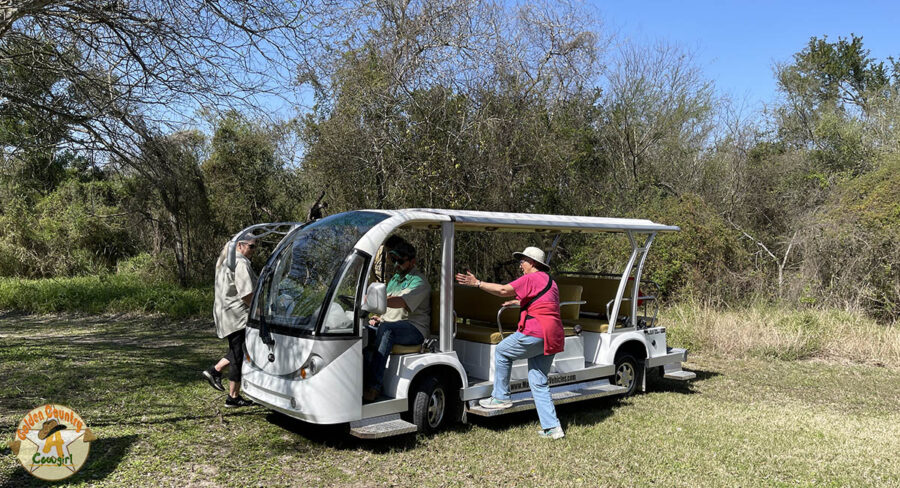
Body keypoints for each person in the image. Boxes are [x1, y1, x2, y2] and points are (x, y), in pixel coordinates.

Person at [455, 246, 566, 439]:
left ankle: (500, 398)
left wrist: (477, 283)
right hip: (552, 335)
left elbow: (503, 290)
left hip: (536, 331)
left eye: (522, 261)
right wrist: (518, 303)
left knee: (502, 350)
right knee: (538, 380)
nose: (520, 265)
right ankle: (553, 428)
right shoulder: (550, 281)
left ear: (532, 263)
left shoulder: (530, 277)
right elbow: (545, 303)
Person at [363, 241, 431, 402]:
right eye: (394, 261)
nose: (396, 265)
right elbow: (388, 304)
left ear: (412, 261)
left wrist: (372, 301)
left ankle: (374, 386)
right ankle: (361, 381)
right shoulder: (395, 279)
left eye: (400, 261)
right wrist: (379, 317)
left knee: (386, 330)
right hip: (393, 325)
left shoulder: (419, 282)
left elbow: (400, 302)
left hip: (415, 329)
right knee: (363, 332)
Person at [202, 239, 258, 408]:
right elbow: (247, 294)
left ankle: (215, 372)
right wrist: (259, 311)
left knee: (237, 351)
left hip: (227, 315)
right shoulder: (240, 263)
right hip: (238, 316)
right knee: (238, 355)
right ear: (240, 245)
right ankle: (232, 397)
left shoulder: (225, 262)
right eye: (252, 246)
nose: (254, 250)